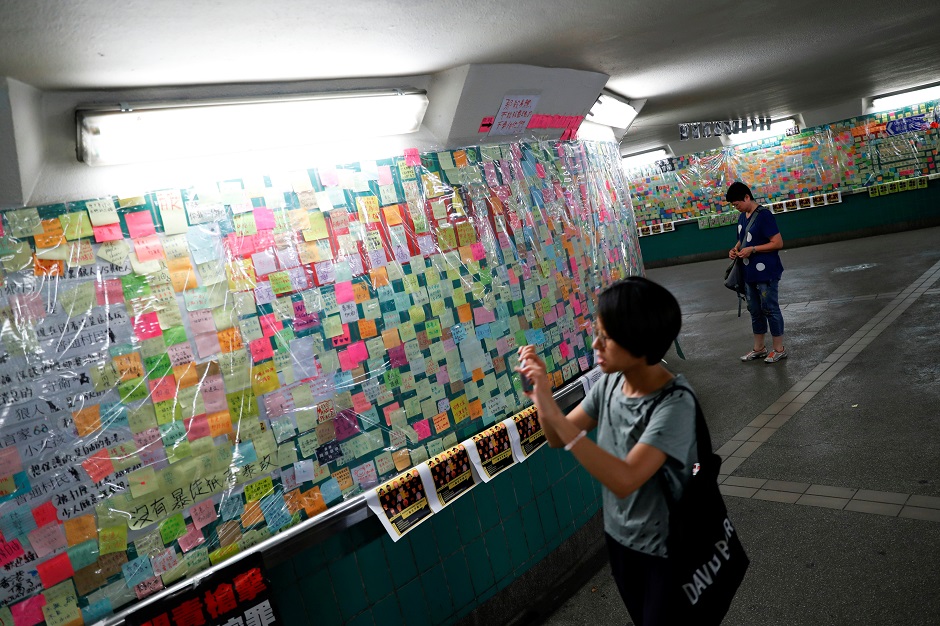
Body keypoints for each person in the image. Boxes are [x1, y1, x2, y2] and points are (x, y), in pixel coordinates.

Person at [517, 277, 697, 626]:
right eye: (596, 332)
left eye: (607, 337)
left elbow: (625, 478)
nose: (595, 344)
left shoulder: (674, 404)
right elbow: (557, 438)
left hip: (665, 548)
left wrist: (553, 412)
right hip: (619, 537)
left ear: (640, 341)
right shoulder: (613, 381)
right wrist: (541, 397)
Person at [726, 181, 787, 363]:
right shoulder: (742, 216)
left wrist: (753, 249)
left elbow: (778, 243)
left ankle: (779, 349)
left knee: (770, 308)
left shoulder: (764, 215)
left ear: (747, 197)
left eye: (737, 204)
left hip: (766, 271)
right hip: (749, 273)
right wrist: (734, 249)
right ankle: (759, 348)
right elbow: (741, 239)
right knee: (754, 309)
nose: (736, 208)